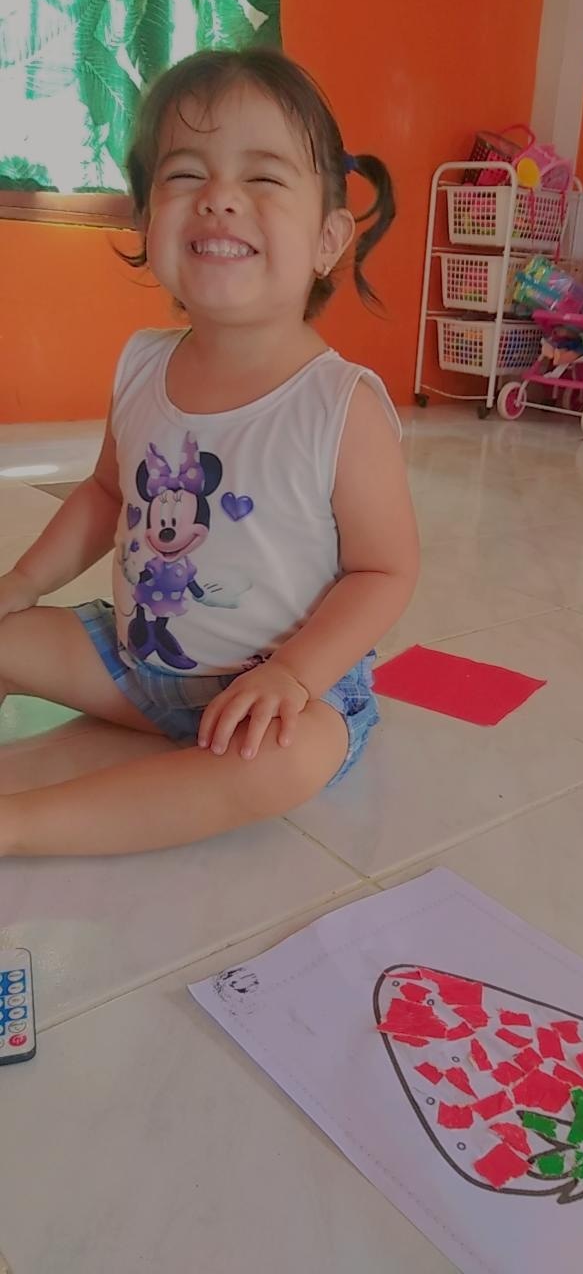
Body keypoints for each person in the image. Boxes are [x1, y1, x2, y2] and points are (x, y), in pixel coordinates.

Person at [0, 48, 419, 858]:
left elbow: (385, 571)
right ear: (145, 221)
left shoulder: (341, 405)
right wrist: (20, 584)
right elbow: (103, 494)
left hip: (272, 695)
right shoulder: (142, 366)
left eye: (262, 178)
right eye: (186, 174)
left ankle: (21, 826)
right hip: (135, 666)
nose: (220, 198)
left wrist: (294, 676)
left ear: (329, 238)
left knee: (291, 759)